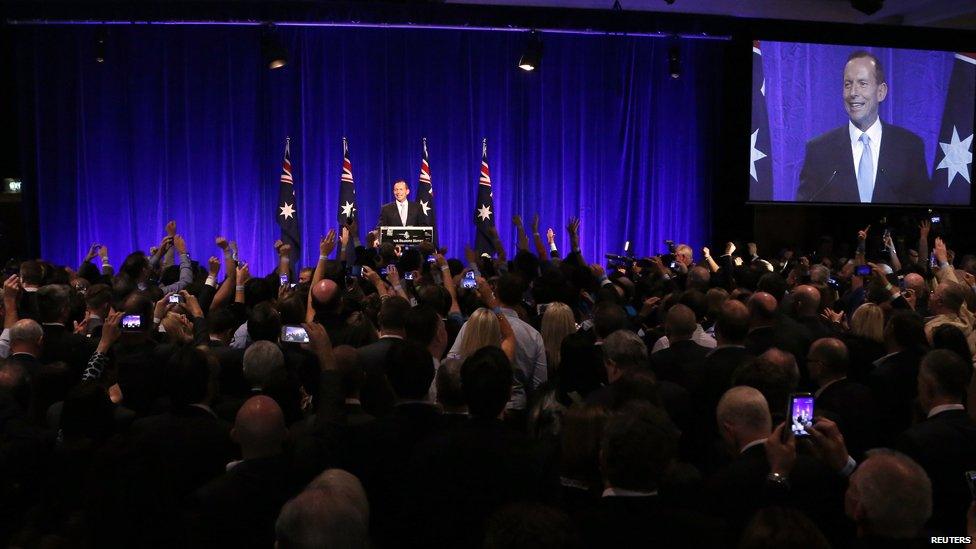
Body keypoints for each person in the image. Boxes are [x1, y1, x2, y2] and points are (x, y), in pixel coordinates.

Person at [797, 51, 930, 204]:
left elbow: (922, 211)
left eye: (862, 83)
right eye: (848, 84)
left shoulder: (909, 147)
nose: (853, 92)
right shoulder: (819, 150)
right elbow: (804, 214)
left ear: (881, 92)